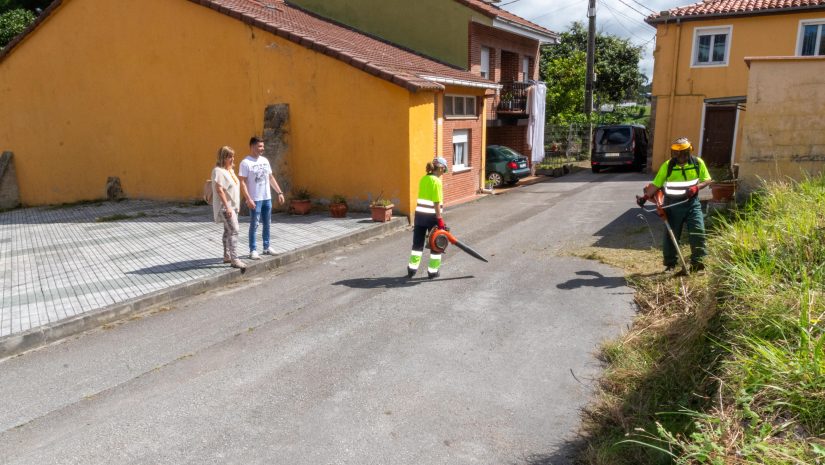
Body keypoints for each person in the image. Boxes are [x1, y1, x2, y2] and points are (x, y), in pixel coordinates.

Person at [637, 137, 712, 272]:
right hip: (672, 205)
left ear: (689, 151)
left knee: (698, 231)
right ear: (673, 153)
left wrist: (697, 187)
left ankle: (698, 263)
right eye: (676, 154)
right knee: (671, 235)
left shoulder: (697, 163)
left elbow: (707, 179)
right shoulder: (668, 165)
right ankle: (671, 264)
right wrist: (645, 197)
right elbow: (656, 184)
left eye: (683, 153)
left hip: (691, 203)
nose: (680, 157)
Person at [239, 136, 285, 260]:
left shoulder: (265, 160)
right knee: (254, 224)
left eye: (263, 146)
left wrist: (279, 192)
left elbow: (270, 177)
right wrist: (248, 199)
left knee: (267, 223)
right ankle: (253, 250)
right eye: (260, 146)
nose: (262, 149)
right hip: (255, 198)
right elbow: (242, 182)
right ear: (252, 147)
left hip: (266, 198)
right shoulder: (245, 162)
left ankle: (266, 247)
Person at [407, 157, 448, 279]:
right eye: (444, 170)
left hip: (419, 216)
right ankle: (433, 271)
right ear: (440, 168)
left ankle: (411, 270)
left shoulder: (424, 179)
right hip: (432, 218)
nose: (443, 173)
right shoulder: (436, 181)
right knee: (437, 244)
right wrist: (439, 219)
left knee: (417, 244)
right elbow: (436, 202)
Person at [211, 146, 246, 269]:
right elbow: (219, 190)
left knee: (228, 230)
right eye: (229, 156)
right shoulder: (218, 171)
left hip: (232, 207)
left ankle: (227, 256)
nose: (232, 159)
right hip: (225, 207)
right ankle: (234, 259)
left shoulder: (230, 170)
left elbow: (234, 189)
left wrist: (236, 206)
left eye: (232, 156)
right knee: (234, 230)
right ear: (222, 158)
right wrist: (228, 207)